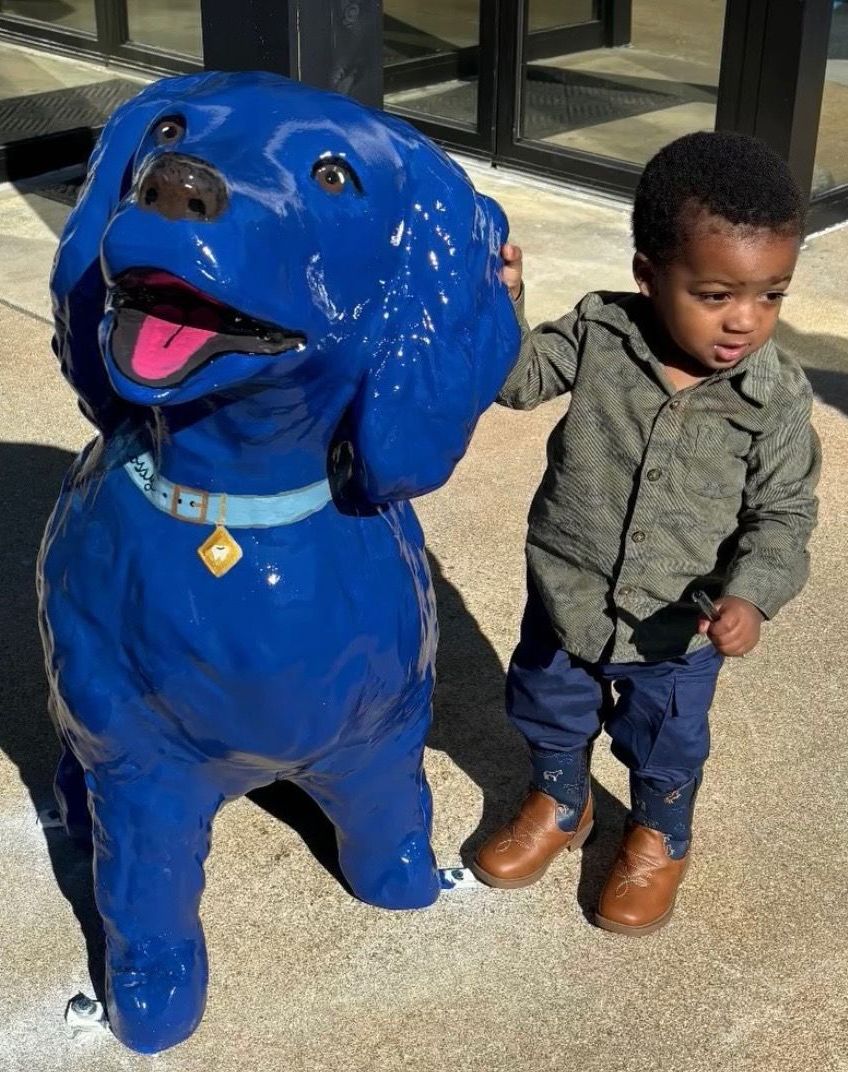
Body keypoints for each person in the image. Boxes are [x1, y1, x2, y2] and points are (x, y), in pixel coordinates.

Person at [470, 131, 821, 935]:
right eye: (715, 294)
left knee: (665, 742)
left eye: (772, 296)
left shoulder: (774, 398)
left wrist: (753, 598)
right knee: (547, 705)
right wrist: (501, 301)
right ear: (648, 275)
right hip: (568, 590)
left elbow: (784, 514)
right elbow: (515, 381)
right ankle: (562, 801)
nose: (745, 320)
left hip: (680, 626)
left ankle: (661, 836)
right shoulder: (599, 333)